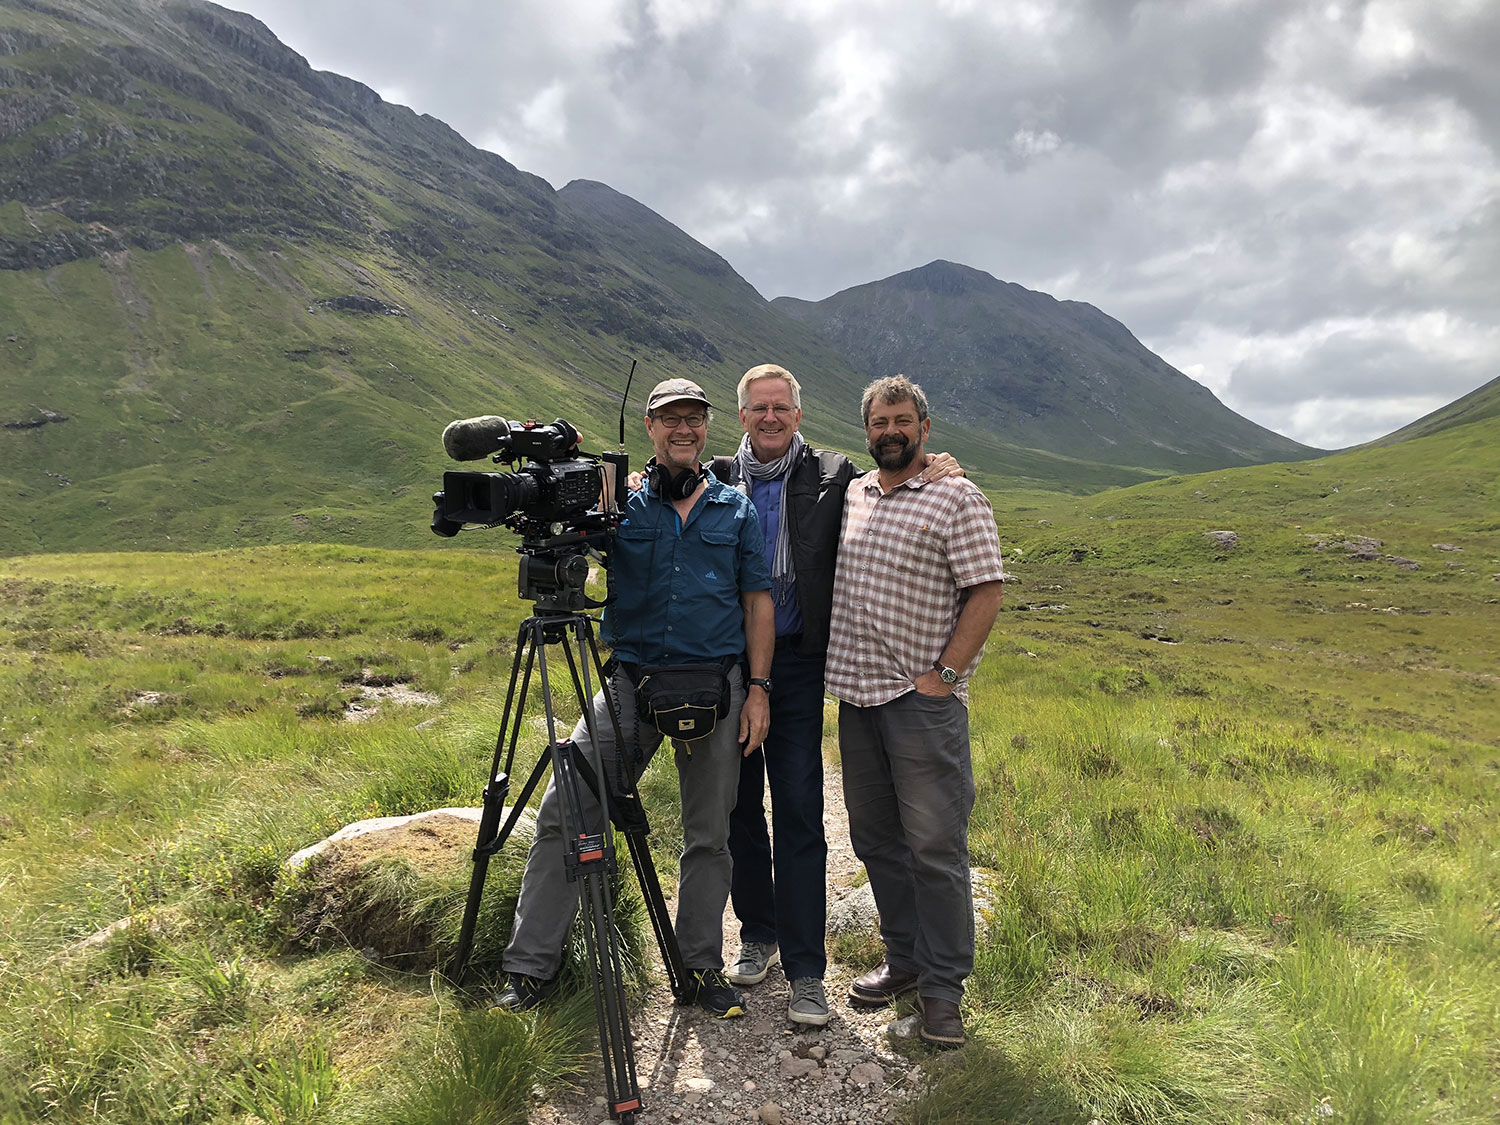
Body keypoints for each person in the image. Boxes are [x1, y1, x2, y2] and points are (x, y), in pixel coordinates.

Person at [495, 377, 774, 1019]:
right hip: (630, 681)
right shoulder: (621, 506)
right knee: (567, 807)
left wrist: (757, 689)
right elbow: (568, 541)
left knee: (710, 833)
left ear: (708, 428)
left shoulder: (736, 508)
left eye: (694, 419)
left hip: (717, 685)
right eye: (670, 419)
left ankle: (699, 966)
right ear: (650, 428)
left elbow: (757, 600)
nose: (683, 429)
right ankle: (531, 968)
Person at [707, 364, 960, 1028]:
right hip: (728, 668)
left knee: (797, 811)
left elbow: (895, 477)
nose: (770, 417)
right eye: (758, 407)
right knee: (737, 808)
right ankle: (757, 934)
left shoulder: (832, 473)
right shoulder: (715, 477)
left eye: (781, 406)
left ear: (799, 413)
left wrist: (939, 464)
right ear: (742, 416)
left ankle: (807, 966)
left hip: (796, 669)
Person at [825, 374, 1006, 1049]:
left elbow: (985, 591)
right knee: (875, 839)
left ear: (925, 429)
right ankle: (904, 959)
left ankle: (943, 989)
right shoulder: (853, 494)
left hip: (921, 703)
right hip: (858, 698)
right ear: (867, 430)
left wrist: (946, 674)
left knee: (935, 847)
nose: (891, 431)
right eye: (880, 422)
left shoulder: (957, 496)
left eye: (903, 420)